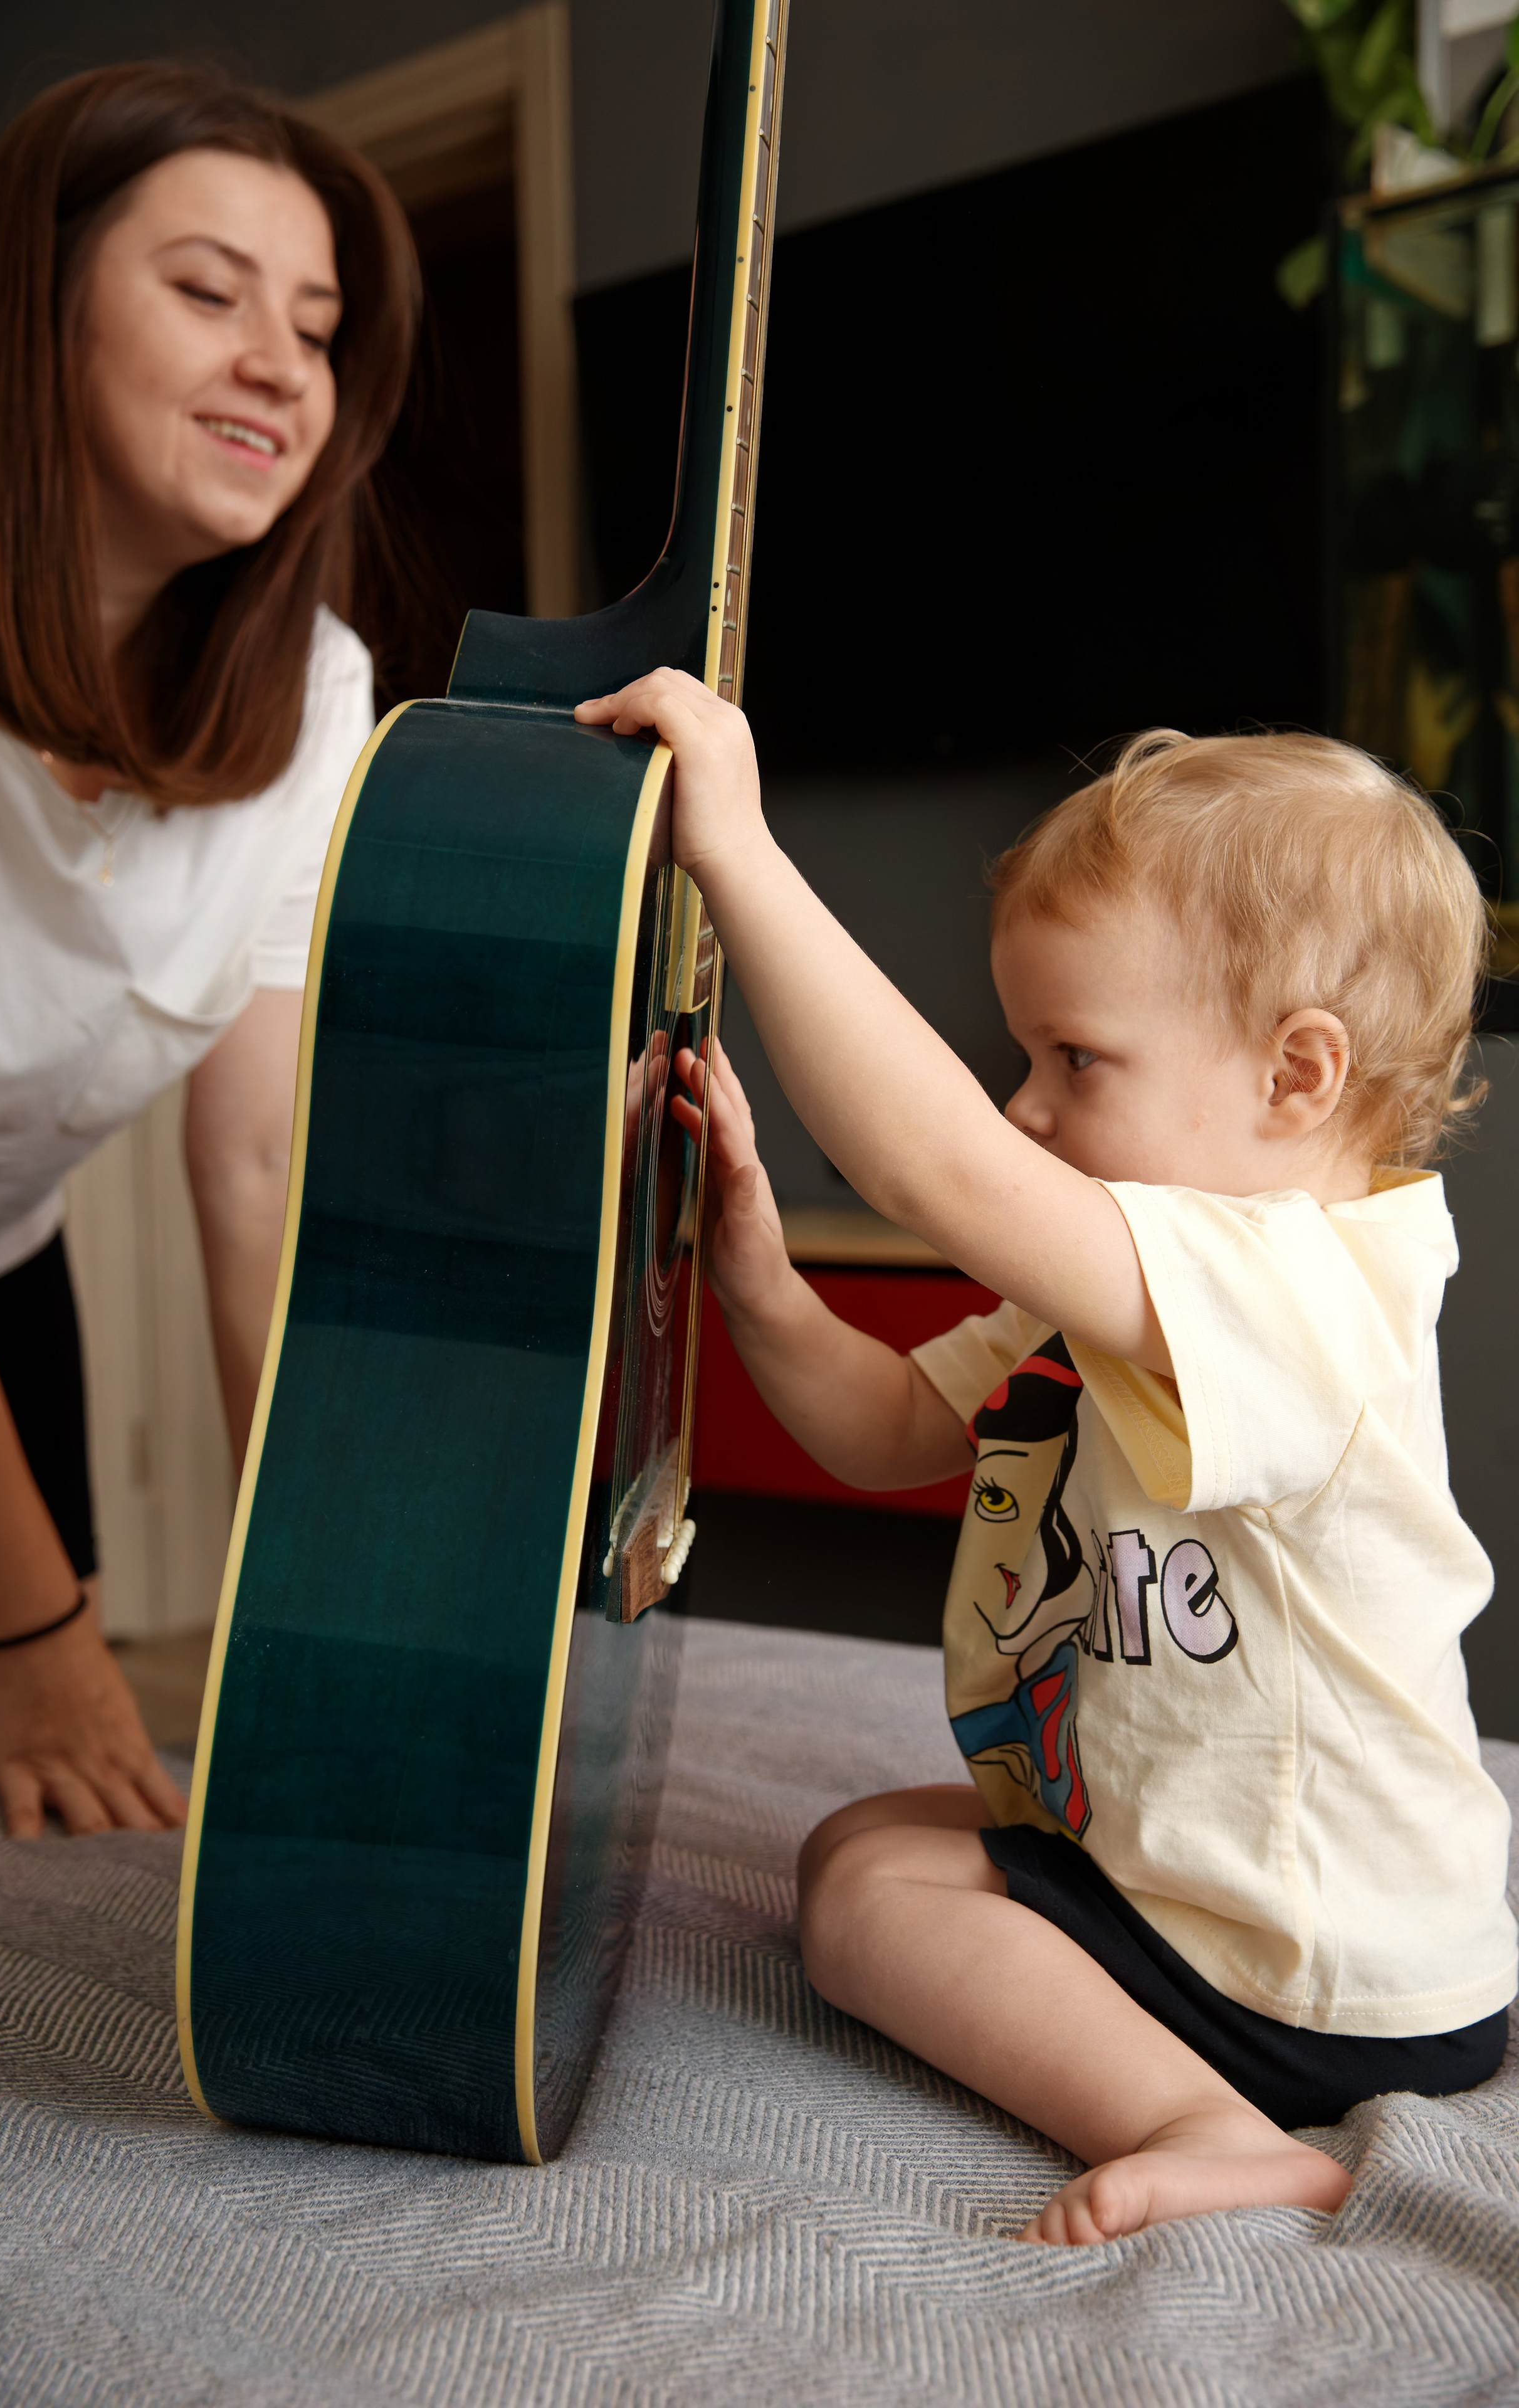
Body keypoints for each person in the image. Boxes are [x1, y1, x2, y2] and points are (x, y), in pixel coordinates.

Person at [574, 668, 1516, 2247]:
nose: (1023, 1107)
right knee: (861, 1846)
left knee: (866, 1910)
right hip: (1212, 1896)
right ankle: (1196, 2086)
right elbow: (878, 1428)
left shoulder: (1299, 1293)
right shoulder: (1130, 1298)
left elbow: (929, 1160)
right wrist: (754, 1264)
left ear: (1298, 1075)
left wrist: (732, 844)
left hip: (1324, 1969)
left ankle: (1205, 2129)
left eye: (1074, 1059)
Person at [0, 66, 417, 1835]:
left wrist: (319, 1614)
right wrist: (44, 1621)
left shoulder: (323, 690)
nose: (280, 361)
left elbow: (259, 1169)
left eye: (318, 322)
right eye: (208, 292)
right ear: (35, 316)